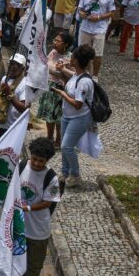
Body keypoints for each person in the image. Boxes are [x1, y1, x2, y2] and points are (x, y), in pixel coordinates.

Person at [18, 137, 61, 276]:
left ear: (47, 160)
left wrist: (28, 208)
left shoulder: (51, 177)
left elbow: (48, 202)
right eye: (34, 159)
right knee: (17, 256)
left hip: (38, 228)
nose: (36, 163)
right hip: (19, 225)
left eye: (40, 161)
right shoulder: (21, 166)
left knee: (34, 263)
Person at [51, 44, 96, 188]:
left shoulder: (84, 82)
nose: (69, 58)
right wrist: (62, 69)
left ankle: (75, 175)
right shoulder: (76, 75)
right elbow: (69, 79)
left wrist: (62, 94)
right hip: (67, 116)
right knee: (65, 146)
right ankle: (65, 173)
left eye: (72, 57)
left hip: (80, 118)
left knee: (67, 146)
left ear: (76, 61)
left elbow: (78, 104)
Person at [37, 31, 74, 147]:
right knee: (49, 114)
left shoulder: (70, 57)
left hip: (60, 89)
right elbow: (46, 65)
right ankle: (49, 137)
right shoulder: (53, 52)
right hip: (49, 87)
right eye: (55, 40)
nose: (55, 43)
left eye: (58, 41)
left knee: (58, 116)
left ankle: (59, 139)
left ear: (66, 44)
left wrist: (62, 70)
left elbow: (73, 75)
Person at [77, 0, 114, 77]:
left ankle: (95, 76)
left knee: (97, 54)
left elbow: (111, 13)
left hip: (100, 29)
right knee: (83, 52)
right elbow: (80, 8)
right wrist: (81, 13)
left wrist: (98, 17)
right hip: (85, 27)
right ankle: (83, 73)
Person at [0, 53, 29, 138]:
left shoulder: (25, 84)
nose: (13, 66)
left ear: (22, 68)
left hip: (12, 127)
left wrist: (9, 94)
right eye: (11, 63)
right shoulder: (4, 78)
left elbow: (23, 108)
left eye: (17, 65)